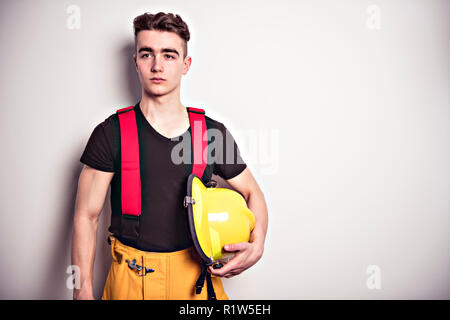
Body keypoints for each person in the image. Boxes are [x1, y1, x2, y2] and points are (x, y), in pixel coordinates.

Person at [71, 11, 268, 300]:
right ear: (135, 62)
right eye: (147, 54)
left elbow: (253, 192)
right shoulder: (110, 133)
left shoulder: (212, 134)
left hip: (196, 281)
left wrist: (258, 243)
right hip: (129, 279)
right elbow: (85, 216)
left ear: (186, 65)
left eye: (169, 55)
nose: (157, 66)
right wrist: (83, 289)